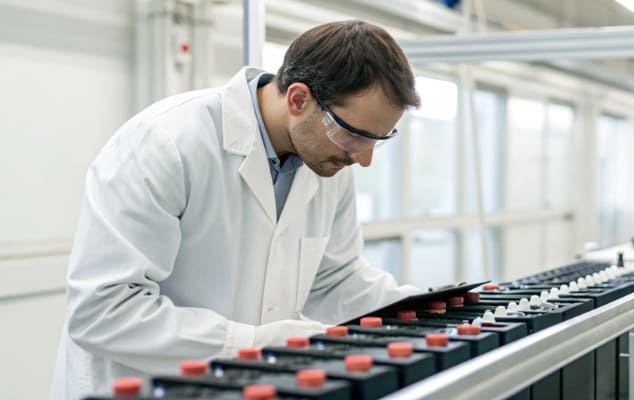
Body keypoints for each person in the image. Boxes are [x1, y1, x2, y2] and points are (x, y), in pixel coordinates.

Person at [51, 20, 422, 400]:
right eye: (354, 135)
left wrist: (424, 309)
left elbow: (333, 279)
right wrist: (251, 343)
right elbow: (103, 310)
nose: (364, 159)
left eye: (378, 140)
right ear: (298, 99)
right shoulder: (166, 142)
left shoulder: (327, 161)